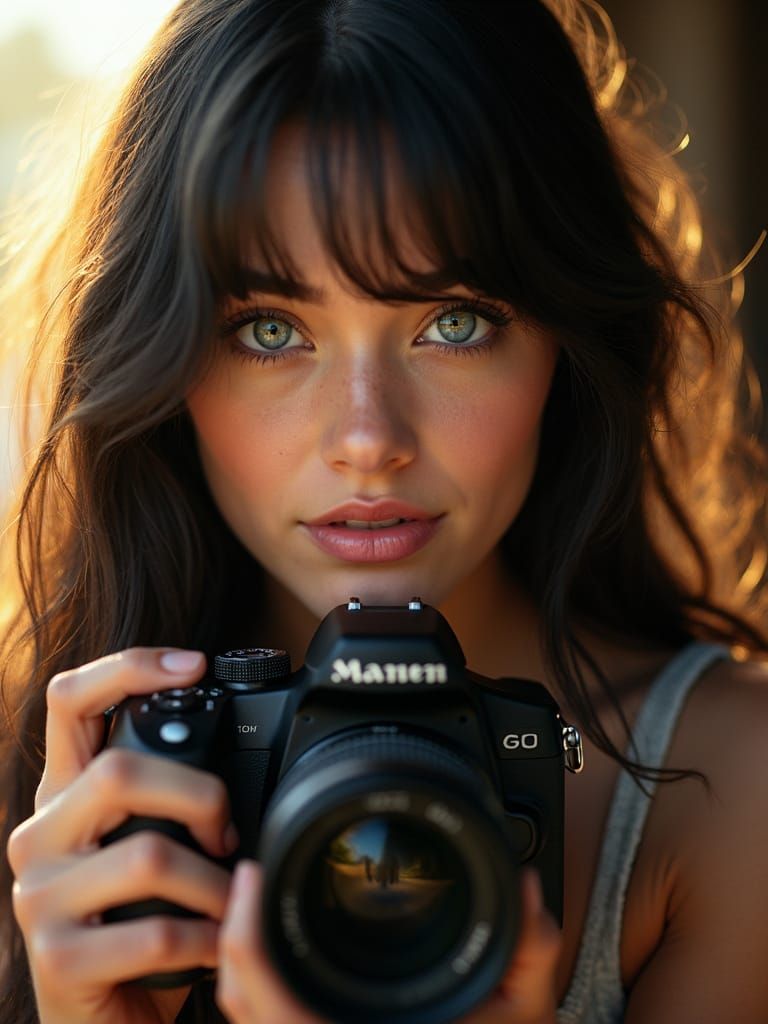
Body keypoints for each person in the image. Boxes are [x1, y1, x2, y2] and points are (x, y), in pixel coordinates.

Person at [1, 0, 767, 1021]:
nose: (367, 437)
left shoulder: (729, 793)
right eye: (270, 330)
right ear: (160, 360)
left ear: (570, 344)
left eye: (454, 322)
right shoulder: (60, 788)